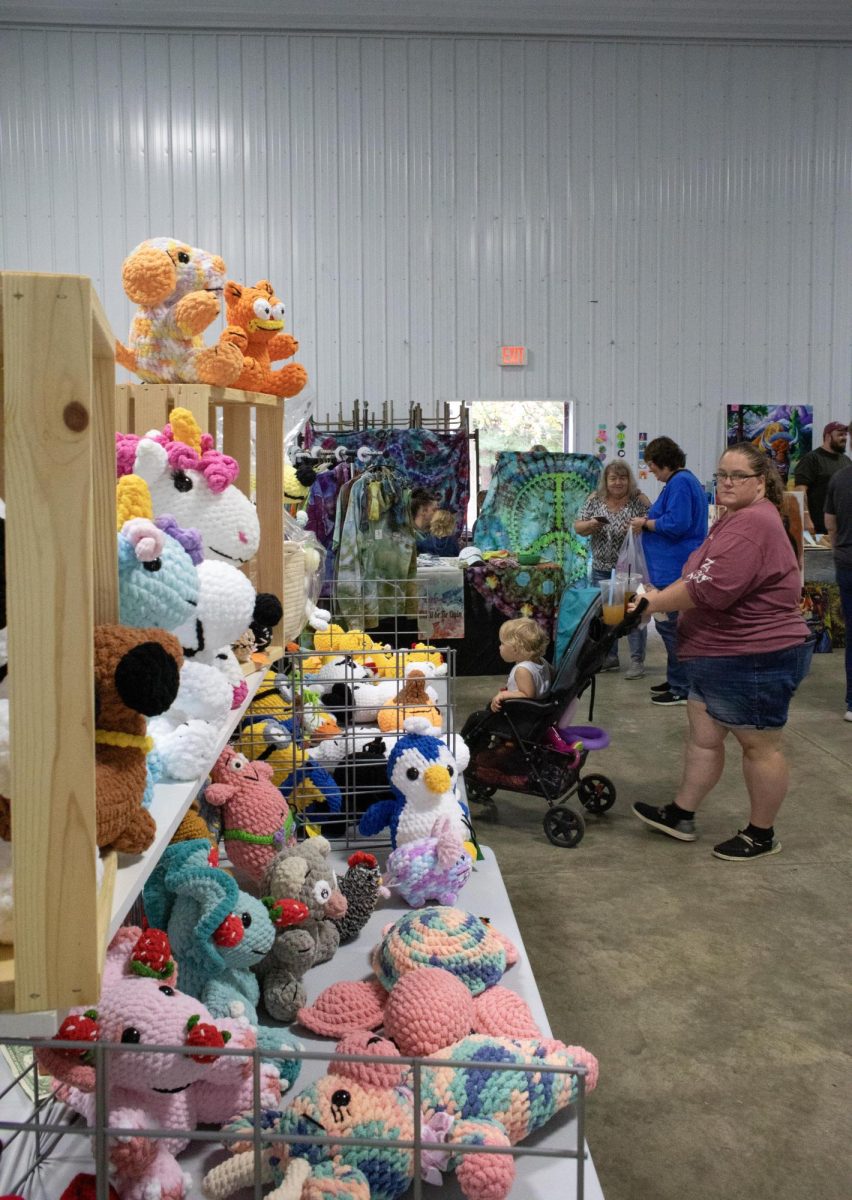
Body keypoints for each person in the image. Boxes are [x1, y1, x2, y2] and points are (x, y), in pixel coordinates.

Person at [630, 442, 813, 861]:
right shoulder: (737, 517)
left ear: (762, 481)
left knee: (759, 746)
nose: (727, 483)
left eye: (738, 476)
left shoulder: (754, 525)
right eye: (722, 475)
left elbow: (708, 587)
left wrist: (649, 604)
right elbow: (701, 572)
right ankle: (682, 812)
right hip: (718, 654)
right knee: (704, 739)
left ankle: (761, 834)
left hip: (754, 655)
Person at [628, 437, 707, 706]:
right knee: (669, 627)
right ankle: (676, 678)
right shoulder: (678, 483)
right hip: (669, 567)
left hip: (675, 568)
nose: (651, 472)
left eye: (652, 466)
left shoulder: (681, 483)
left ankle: (682, 686)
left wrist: (646, 523)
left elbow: (677, 523)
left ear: (662, 462)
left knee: (674, 628)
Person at [574, 461, 651, 677]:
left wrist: (642, 522)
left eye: (622, 478)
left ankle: (637, 661)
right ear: (606, 481)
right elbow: (578, 526)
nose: (618, 482)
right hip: (601, 567)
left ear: (629, 480)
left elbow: (653, 523)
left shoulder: (639, 501)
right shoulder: (594, 500)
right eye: (613, 478)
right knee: (609, 614)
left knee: (634, 613)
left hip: (630, 569)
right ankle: (610, 657)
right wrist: (590, 525)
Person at [823, 444, 852, 721]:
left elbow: (830, 522)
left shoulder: (840, 478)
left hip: (846, 561)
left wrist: (838, 548)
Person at [792, 421, 851, 535]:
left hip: (841, 529)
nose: (844, 438)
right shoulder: (812, 459)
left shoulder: (847, 461)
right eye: (840, 434)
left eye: (845, 435)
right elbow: (800, 490)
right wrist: (805, 518)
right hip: (817, 528)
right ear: (828, 436)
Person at [490, 618, 552, 712]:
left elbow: (527, 696)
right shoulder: (542, 661)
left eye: (502, 643)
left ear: (516, 649)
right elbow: (553, 676)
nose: (499, 647)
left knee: (475, 719)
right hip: (539, 711)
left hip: (522, 714)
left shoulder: (522, 670)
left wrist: (504, 695)